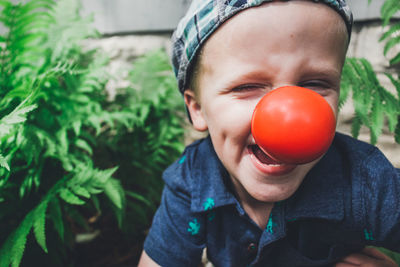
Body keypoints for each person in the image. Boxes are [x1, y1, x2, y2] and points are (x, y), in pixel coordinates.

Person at [138, 0, 400, 266]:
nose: (289, 114)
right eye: (247, 86)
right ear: (197, 108)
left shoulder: (366, 183)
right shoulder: (193, 178)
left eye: (314, 83)